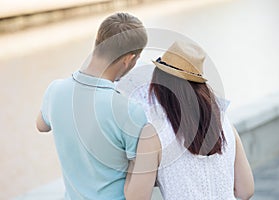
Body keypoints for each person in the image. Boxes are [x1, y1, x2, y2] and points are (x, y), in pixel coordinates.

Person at [36, 13, 159, 200]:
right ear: (128, 59)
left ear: (96, 43)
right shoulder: (129, 111)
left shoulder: (55, 90)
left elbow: (41, 125)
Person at [125, 41, 254, 200]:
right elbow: (246, 190)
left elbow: (136, 198)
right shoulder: (224, 121)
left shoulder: (154, 133)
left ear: (159, 83)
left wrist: (133, 163)